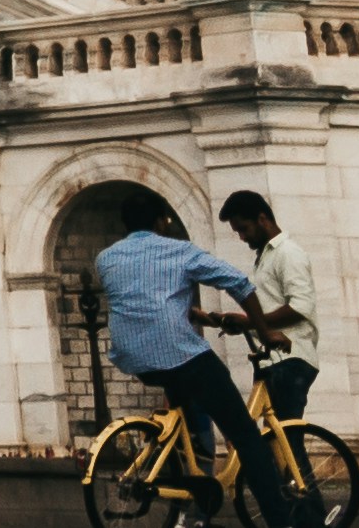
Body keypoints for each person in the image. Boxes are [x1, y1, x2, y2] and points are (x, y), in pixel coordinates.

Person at [93, 191, 310, 528]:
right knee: (247, 438)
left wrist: (192, 312)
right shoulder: (179, 251)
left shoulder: (105, 259)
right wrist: (265, 332)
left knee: (191, 426)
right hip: (180, 354)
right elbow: (239, 284)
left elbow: (143, 300)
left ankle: (196, 504)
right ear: (160, 221)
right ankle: (281, 523)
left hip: (134, 358)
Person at [219, 191, 321, 428]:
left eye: (244, 229)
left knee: (285, 438)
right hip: (273, 360)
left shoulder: (288, 253)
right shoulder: (266, 256)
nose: (242, 237)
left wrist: (249, 322)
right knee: (275, 440)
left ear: (262, 219)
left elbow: (300, 307)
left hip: (291, 358)